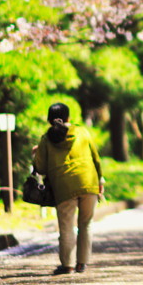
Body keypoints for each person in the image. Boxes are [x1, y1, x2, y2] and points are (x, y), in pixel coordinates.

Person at [34, 103, 104, 275]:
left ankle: (68, 265)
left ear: (49, 119)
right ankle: (82, 263)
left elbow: (40, 168)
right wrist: (100, 180)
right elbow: (96, 158)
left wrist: (35, 155)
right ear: (68, 118)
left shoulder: (46, 139)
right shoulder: (82, 132)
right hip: (88, 182)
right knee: (86, 224)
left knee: (66, 226)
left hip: (63, 187)